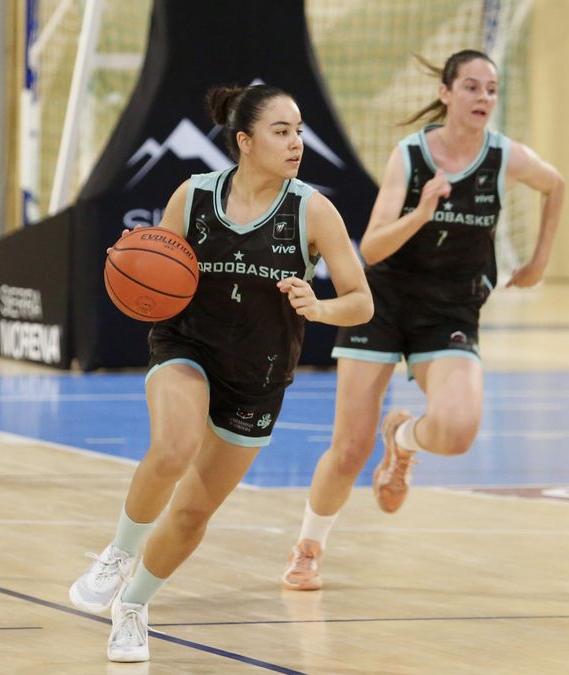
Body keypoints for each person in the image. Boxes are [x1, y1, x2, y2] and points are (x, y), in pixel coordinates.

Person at [68, 83, 373, 662]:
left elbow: (361, 301)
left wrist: (320, 306)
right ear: (244, 141)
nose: (296, 142)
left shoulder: (312, 209)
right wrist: (136, 263)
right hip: (187, 345)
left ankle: (132, 606)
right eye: (281, 131)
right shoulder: (195, 195)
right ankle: (116, 553)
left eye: (300, 131)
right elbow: (158, 272)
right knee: (173, 448)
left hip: (256, 372)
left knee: (191, 514)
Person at [280, 50, 566, 591]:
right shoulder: (411, 156)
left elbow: (556, 185)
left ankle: (404, 440)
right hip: (384, 302)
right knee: (348, 449)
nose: (484, 98)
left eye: (492, 89)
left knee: (457, 432)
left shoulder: (506, 157)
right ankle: (309, 548)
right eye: (473, 88)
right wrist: (422, 212)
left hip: (451, 310)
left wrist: (539, 260)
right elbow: (373, 248)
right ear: (447, 93)